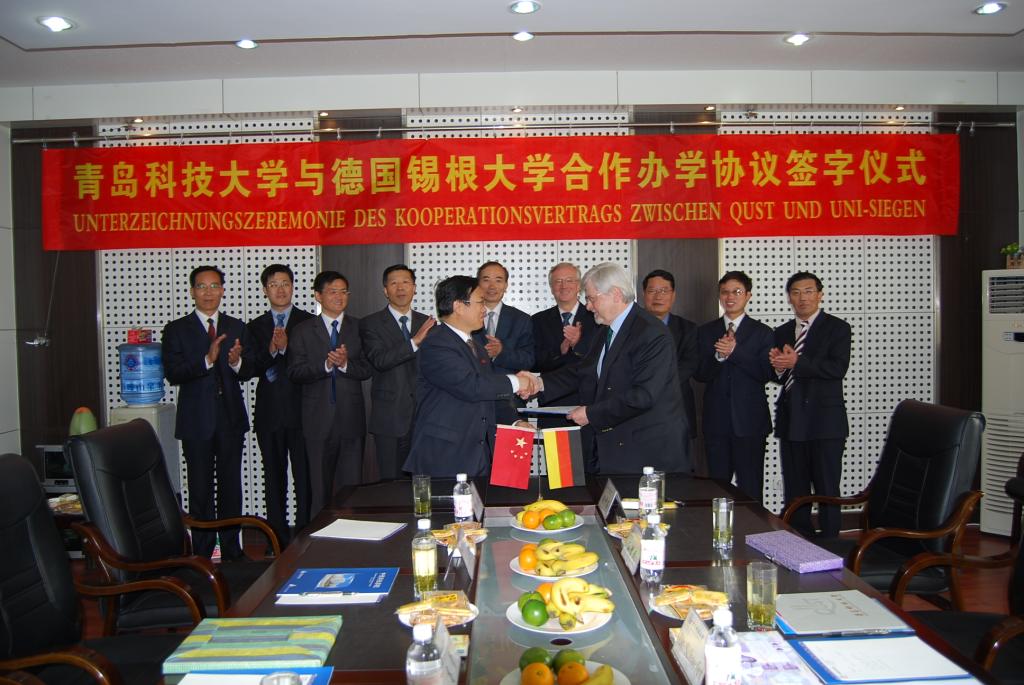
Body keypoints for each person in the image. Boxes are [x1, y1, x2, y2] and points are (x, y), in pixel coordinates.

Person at [525, 262, 685, 474]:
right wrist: (540, 383)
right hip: (615, 446)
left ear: (616, 294)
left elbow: (643, 395)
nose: (588, 306)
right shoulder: (606, 329)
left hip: (644, 450)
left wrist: (591, 414)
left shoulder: (651, 334)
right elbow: (583, 371)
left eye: (592, 298)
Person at [162, 265, 255, 559]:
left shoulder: (236, 327)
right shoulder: (176, 329)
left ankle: (232, 550)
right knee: (200, 489)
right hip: (196, 421)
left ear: (223, 290)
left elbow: (248, 371)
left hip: (230, 418)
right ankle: (202, 554)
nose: (208, 292)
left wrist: (237, 362)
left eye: (214, 286)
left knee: (231, 487)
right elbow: (173, 373)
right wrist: (207, 359)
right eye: (202, 287)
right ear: (192, 291)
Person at [403, 275, 535, 477]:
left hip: (477, 455)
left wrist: (515, 422)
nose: (485, 309)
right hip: (444, 456)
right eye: (480, 302)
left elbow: (490, 395)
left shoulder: (477, 347)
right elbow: (471, 386)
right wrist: (518, 381)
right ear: (458, 306)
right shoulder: (436, 343)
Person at [769, 271, 851, 538]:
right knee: (796, 489)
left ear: (820, 294)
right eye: (795, 292)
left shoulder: (837, 328)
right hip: (792, 420)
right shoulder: (782, 331)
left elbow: (837, 369)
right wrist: (778, 368)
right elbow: (779, 376)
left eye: (808, 291)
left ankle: (830, 543)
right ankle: (799, 541)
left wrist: (797, 362)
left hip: (825, 423)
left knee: (827, 488)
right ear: (789, 298)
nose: (802, 298)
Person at [288, 270, 372, 517]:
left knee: (352, 490)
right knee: (319, 490)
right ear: (318, 295)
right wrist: (325, 365)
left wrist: (345, 364)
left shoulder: (359, 327)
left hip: (351, 419)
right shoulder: (302, 330)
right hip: (317, 420)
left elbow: (367, 368)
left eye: (343, 291)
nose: (339, 296)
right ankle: (318, 537)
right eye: (333, 291)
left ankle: (352, 536)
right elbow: (294, 372)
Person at [246, 264, 314, 547]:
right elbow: (250, 368)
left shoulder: (308, 322)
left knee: (304, 479)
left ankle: (305, 537)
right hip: (270, 413)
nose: (280, 289)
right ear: (265, 290)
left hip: (302, 412)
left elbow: (311, 364)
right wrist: (273, 350)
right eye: (274, 284)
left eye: (285, 283)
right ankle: (276, 540)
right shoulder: (254, 327)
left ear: (293, 286)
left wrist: (288, 348)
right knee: (273, 479)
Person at [694, 271, 774, 502]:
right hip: (716, 424)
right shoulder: (706, 331)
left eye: (737, 292)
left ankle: (753, 527)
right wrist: (718, 357)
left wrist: (734, 352)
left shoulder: (763, 332)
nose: (730, 297)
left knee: (751, 489)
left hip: (750, 424)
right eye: (725, 292)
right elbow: (700, 374)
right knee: (718, 490)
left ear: (748, 295)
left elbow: (766, 373)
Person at [359, 264, 435, 480]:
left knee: (422, 483)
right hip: (389, 418)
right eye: (394, 283)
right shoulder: (370, 323)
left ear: (414, 288)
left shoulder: (428, 323)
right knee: (390, 484)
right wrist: (414, 342)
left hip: (424, 416)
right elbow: (380, 360)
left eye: (405, 282)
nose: (400, 288)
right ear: (385, 290)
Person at [641, 269, 698, 473]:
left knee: (679, 477)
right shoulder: (632, 328)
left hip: (677, 412)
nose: (658, 296)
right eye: (652, 291)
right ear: (644, 295)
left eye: (664, 291)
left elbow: (690, 365)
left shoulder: (688, 329)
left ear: (673, 295)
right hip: (640, 414)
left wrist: (654, 385)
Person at [531, 262, 597, 430]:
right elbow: (533, 361)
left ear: (579, 286)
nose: (564, 286)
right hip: (553, 403)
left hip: (588, 403)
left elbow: (602, 357)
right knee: (555, 448)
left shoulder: (596, 317)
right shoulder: (538, 320)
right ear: (551, 287)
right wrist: (560, 351)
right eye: (558, 281)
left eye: (569, 280)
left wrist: (579, 344)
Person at [473, 261, 535, 424]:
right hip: (474, 401)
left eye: (498, 280)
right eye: (486, 279)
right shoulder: (466, 317)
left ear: (506, 285)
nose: (492, 286)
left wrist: (501, 352)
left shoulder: (521, 319)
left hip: (511, 401)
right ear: (478, 284)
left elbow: (528, 360)